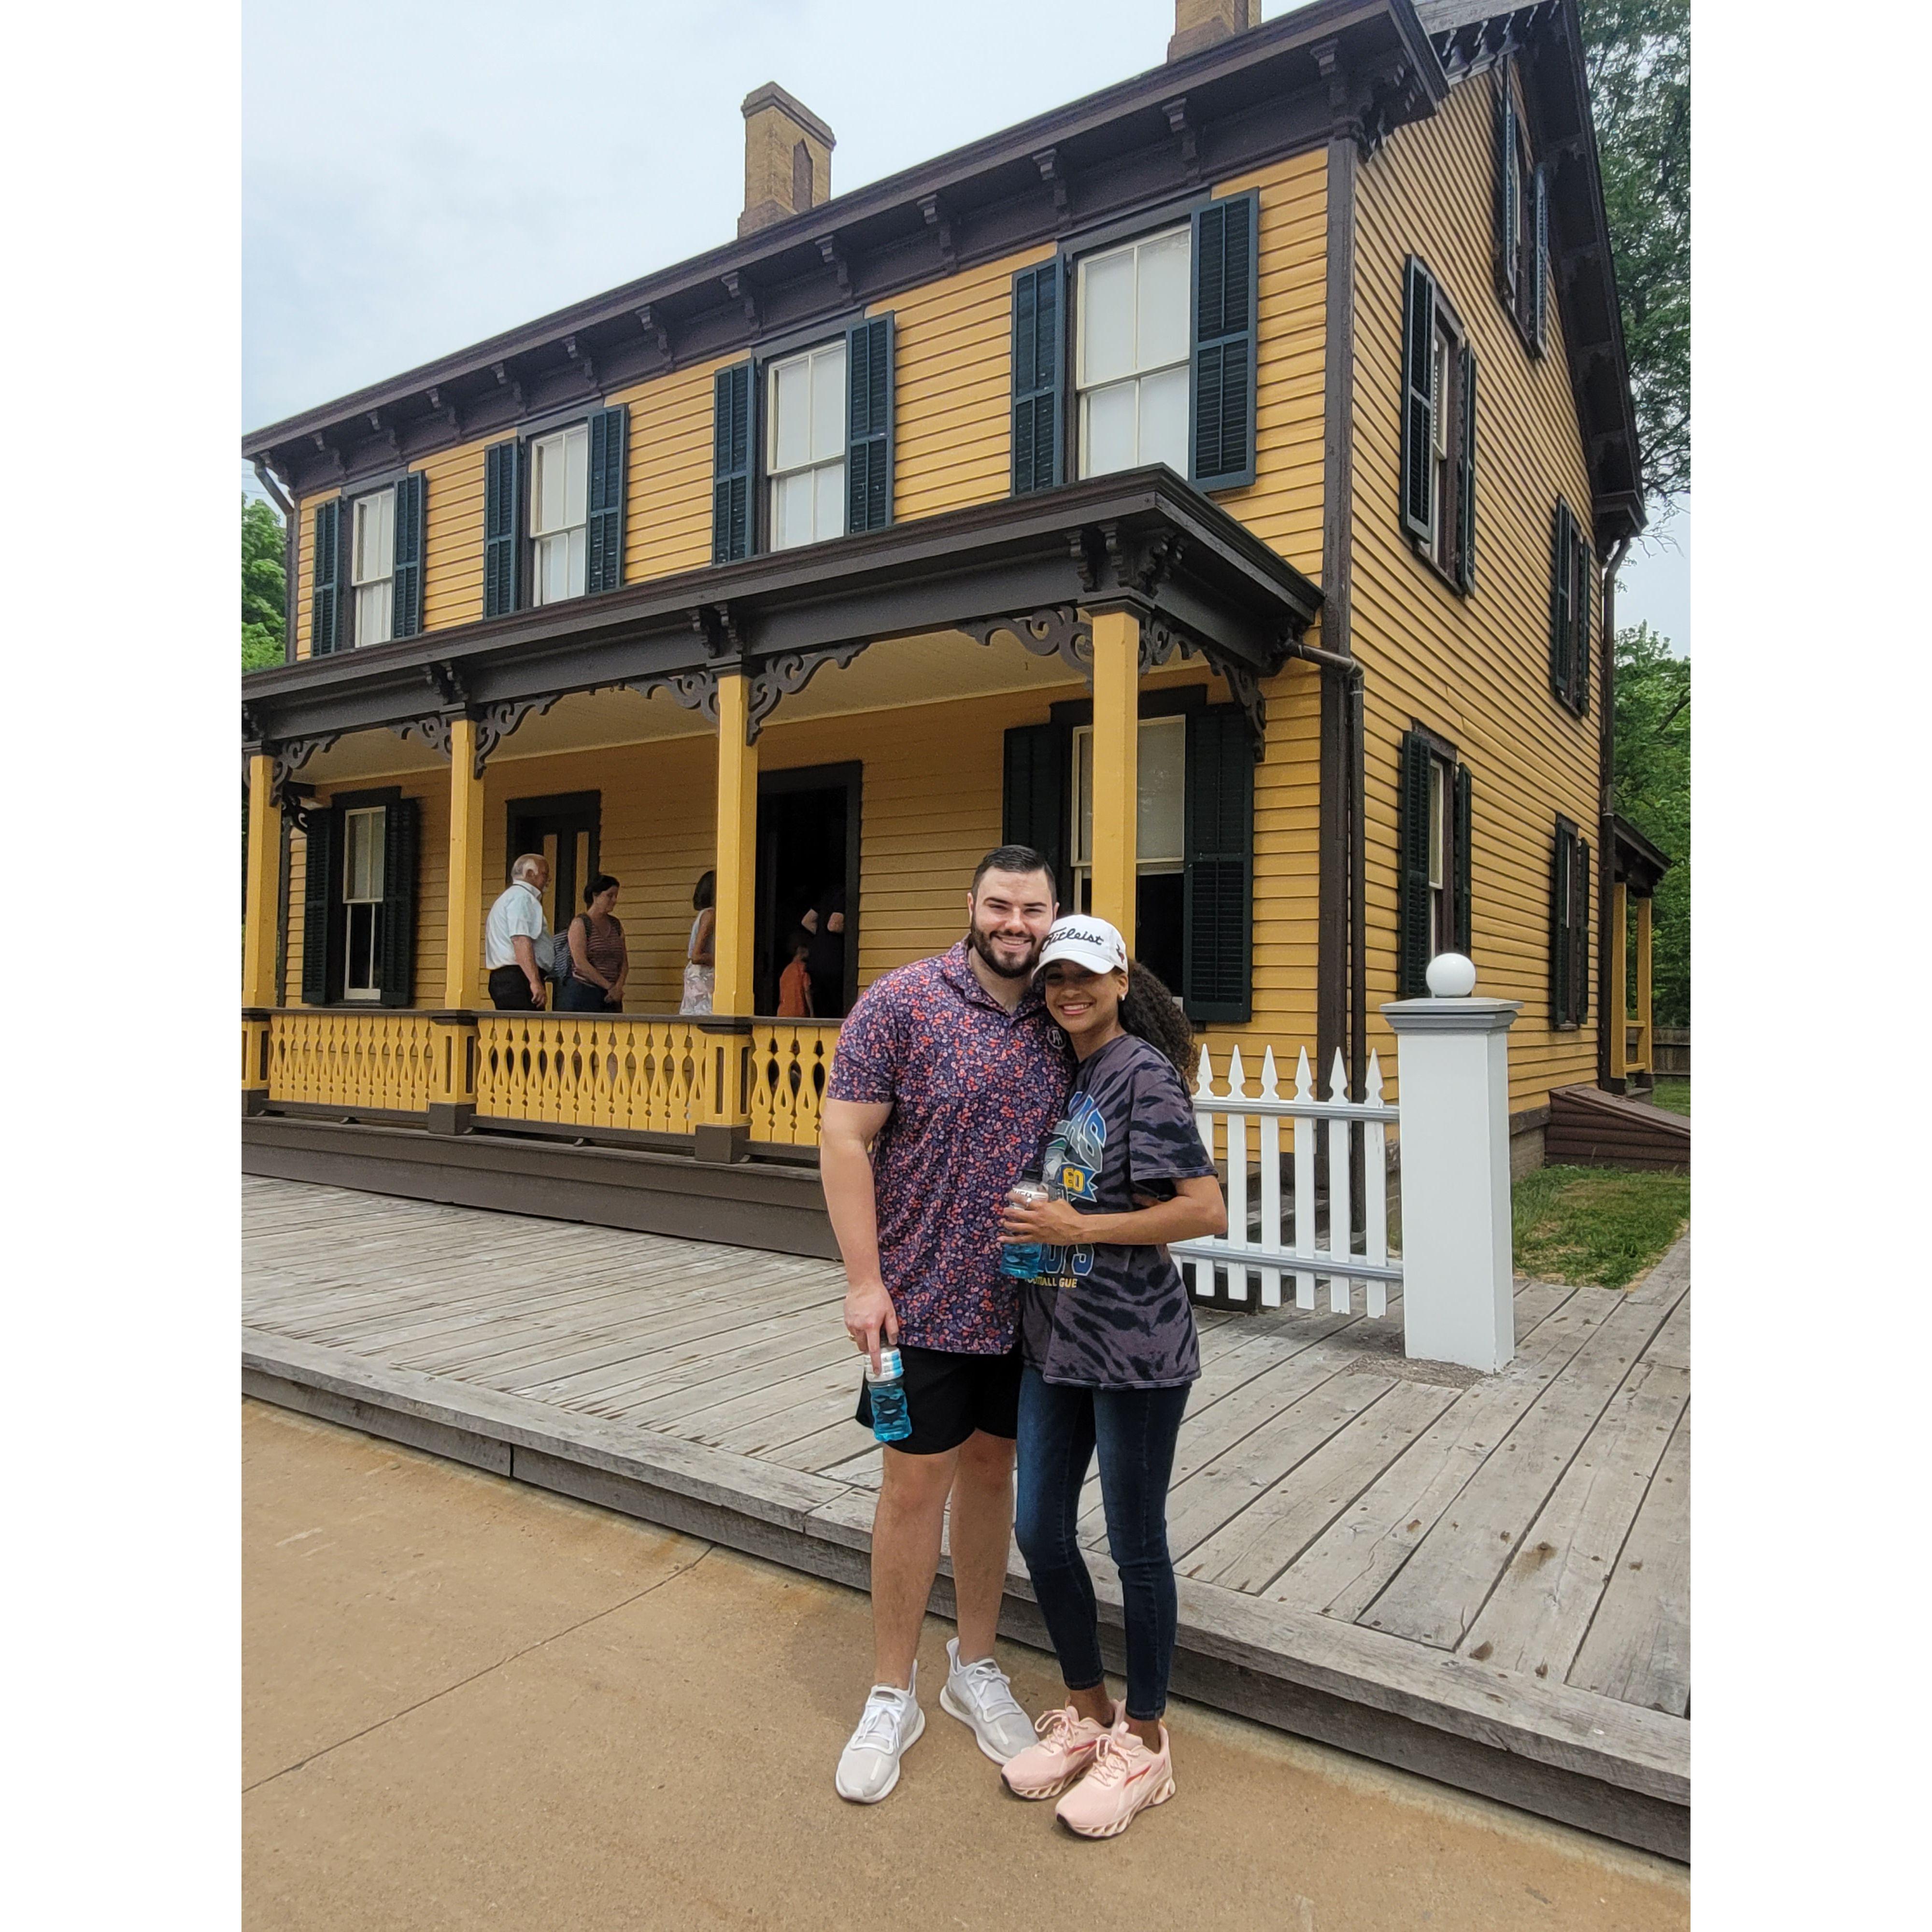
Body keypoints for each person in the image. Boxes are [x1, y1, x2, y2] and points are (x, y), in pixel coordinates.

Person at [820, 846, 1072, 1804]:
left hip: (1031, 1306)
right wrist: (861, 1280)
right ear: (970, 907)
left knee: (990, 1473)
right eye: (1000, 905)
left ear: (1055, 914)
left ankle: (974, 1665)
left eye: (1033, 907)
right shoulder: (902, 1003)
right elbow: (844, 1135)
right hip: (916, 1303)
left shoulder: (1070, 1008)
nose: (1016, 922)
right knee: (908, 1484)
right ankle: (893, 1688)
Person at [994, 915, 1226, 1840]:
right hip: (1055, 1344)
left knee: (1135, 1545)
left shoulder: (1143, 1074)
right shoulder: (1068, 1073)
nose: (1067, 991)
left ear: (1122, 981)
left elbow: (1202, 1207)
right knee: (1040, 1529)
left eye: (1085, 975)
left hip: (1135, 1354)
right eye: (1054, 977)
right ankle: (1090, 1716)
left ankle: (1147, 1741)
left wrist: (1078, 1231)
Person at [484, 853, 550, 1010]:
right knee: (526, 1030)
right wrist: (534, 981)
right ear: (529, 873)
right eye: (545, 874)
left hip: (512, 978)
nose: (549, 879)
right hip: (518, 978)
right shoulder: (522, 898)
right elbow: (520, 940)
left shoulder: (509, 898)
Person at [558, 874, 628, 1012]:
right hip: (585, 992)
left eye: (616, 896)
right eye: (609, 895)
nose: (614, 900)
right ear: (596, 896)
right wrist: (608, 986)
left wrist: (618, 988)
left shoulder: (616, 924)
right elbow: (580, 962)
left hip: (611, 997)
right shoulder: (581, 923)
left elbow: (624, 962)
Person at [800, 881, 846, 1018]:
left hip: (816, 961)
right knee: (836, 1007)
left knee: (821, 1006)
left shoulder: (827, 896)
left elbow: (806, 921)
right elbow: (833, 925)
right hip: (833, 961)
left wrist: (821, 936)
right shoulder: (844, 896)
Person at [680, 871, 716, 1014]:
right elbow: (696, 956)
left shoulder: (705, 914)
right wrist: (722, 961)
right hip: (703, 979)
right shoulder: (710, 915)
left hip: (699, 978)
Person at [776, 928, 814, 1018]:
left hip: (783, 1012)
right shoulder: (803, 969)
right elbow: (807, 991)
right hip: (798, 1012)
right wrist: (812, 1012)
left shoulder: (786, 971)